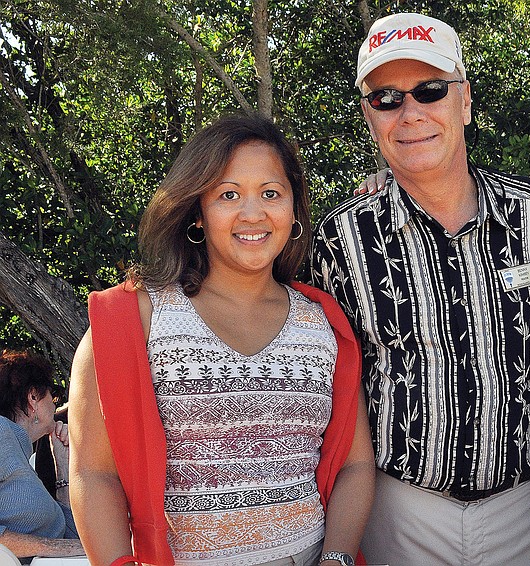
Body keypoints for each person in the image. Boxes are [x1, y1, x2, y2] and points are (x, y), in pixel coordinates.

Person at [311, 12, 530, 566]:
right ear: (369, 117)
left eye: (430, 91)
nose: (411, 114)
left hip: (529, 509)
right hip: (400, 513)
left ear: (465, 102)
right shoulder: (340, 238)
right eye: (387, 99)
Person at [68, 113, 374, 566]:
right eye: (228, 195)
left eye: (271, 193)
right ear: (197, 212)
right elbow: (94, 475)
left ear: (293, 211)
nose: (253, 213)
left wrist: (337, 559)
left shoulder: (324, 324)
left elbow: (354, 465)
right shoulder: (132, 321)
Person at [0, 349, 84, 559]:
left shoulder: (21, 454)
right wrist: (51, 547)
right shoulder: (2, 433)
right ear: (34, 397)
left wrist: (63, 466)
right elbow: (65, 547)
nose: (55, 405)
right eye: (53, 395)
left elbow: (69, 537)